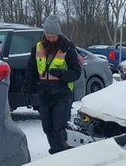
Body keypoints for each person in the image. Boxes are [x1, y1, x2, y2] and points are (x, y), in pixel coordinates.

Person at [23, 15, 82, 154]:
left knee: (59, 127)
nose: (51, 39)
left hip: (62, 94)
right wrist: (27, 90)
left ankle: (62, 153)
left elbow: (76, 72)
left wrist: (61, 73)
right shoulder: (37, 48)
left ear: (59, 35)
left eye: (53, 37)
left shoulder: (67, 49)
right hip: (44, 94)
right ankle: (56, 151)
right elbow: (31, 71)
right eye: (48, 36)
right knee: (47, 128)